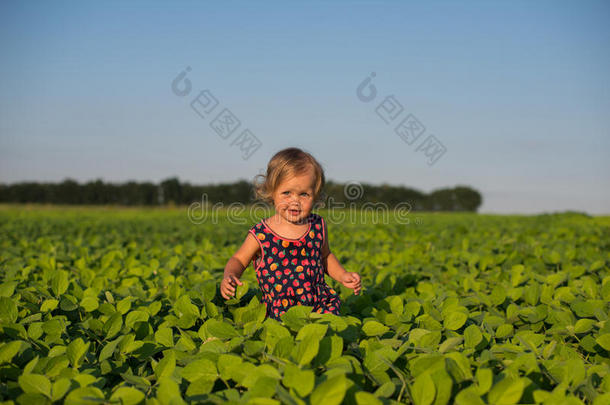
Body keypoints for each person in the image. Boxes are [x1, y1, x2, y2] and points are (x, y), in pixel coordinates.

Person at [220, 147, 362, 320]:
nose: (295, 201)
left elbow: (325, 257)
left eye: (304, 194)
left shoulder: (317, 226)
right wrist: (230, 275)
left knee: (326, 335)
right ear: (272, 191)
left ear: (315, 196)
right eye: (287, 193)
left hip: (318, 306)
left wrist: (342, 275)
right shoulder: (262, 233)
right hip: (279, 311)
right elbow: (239, 259)